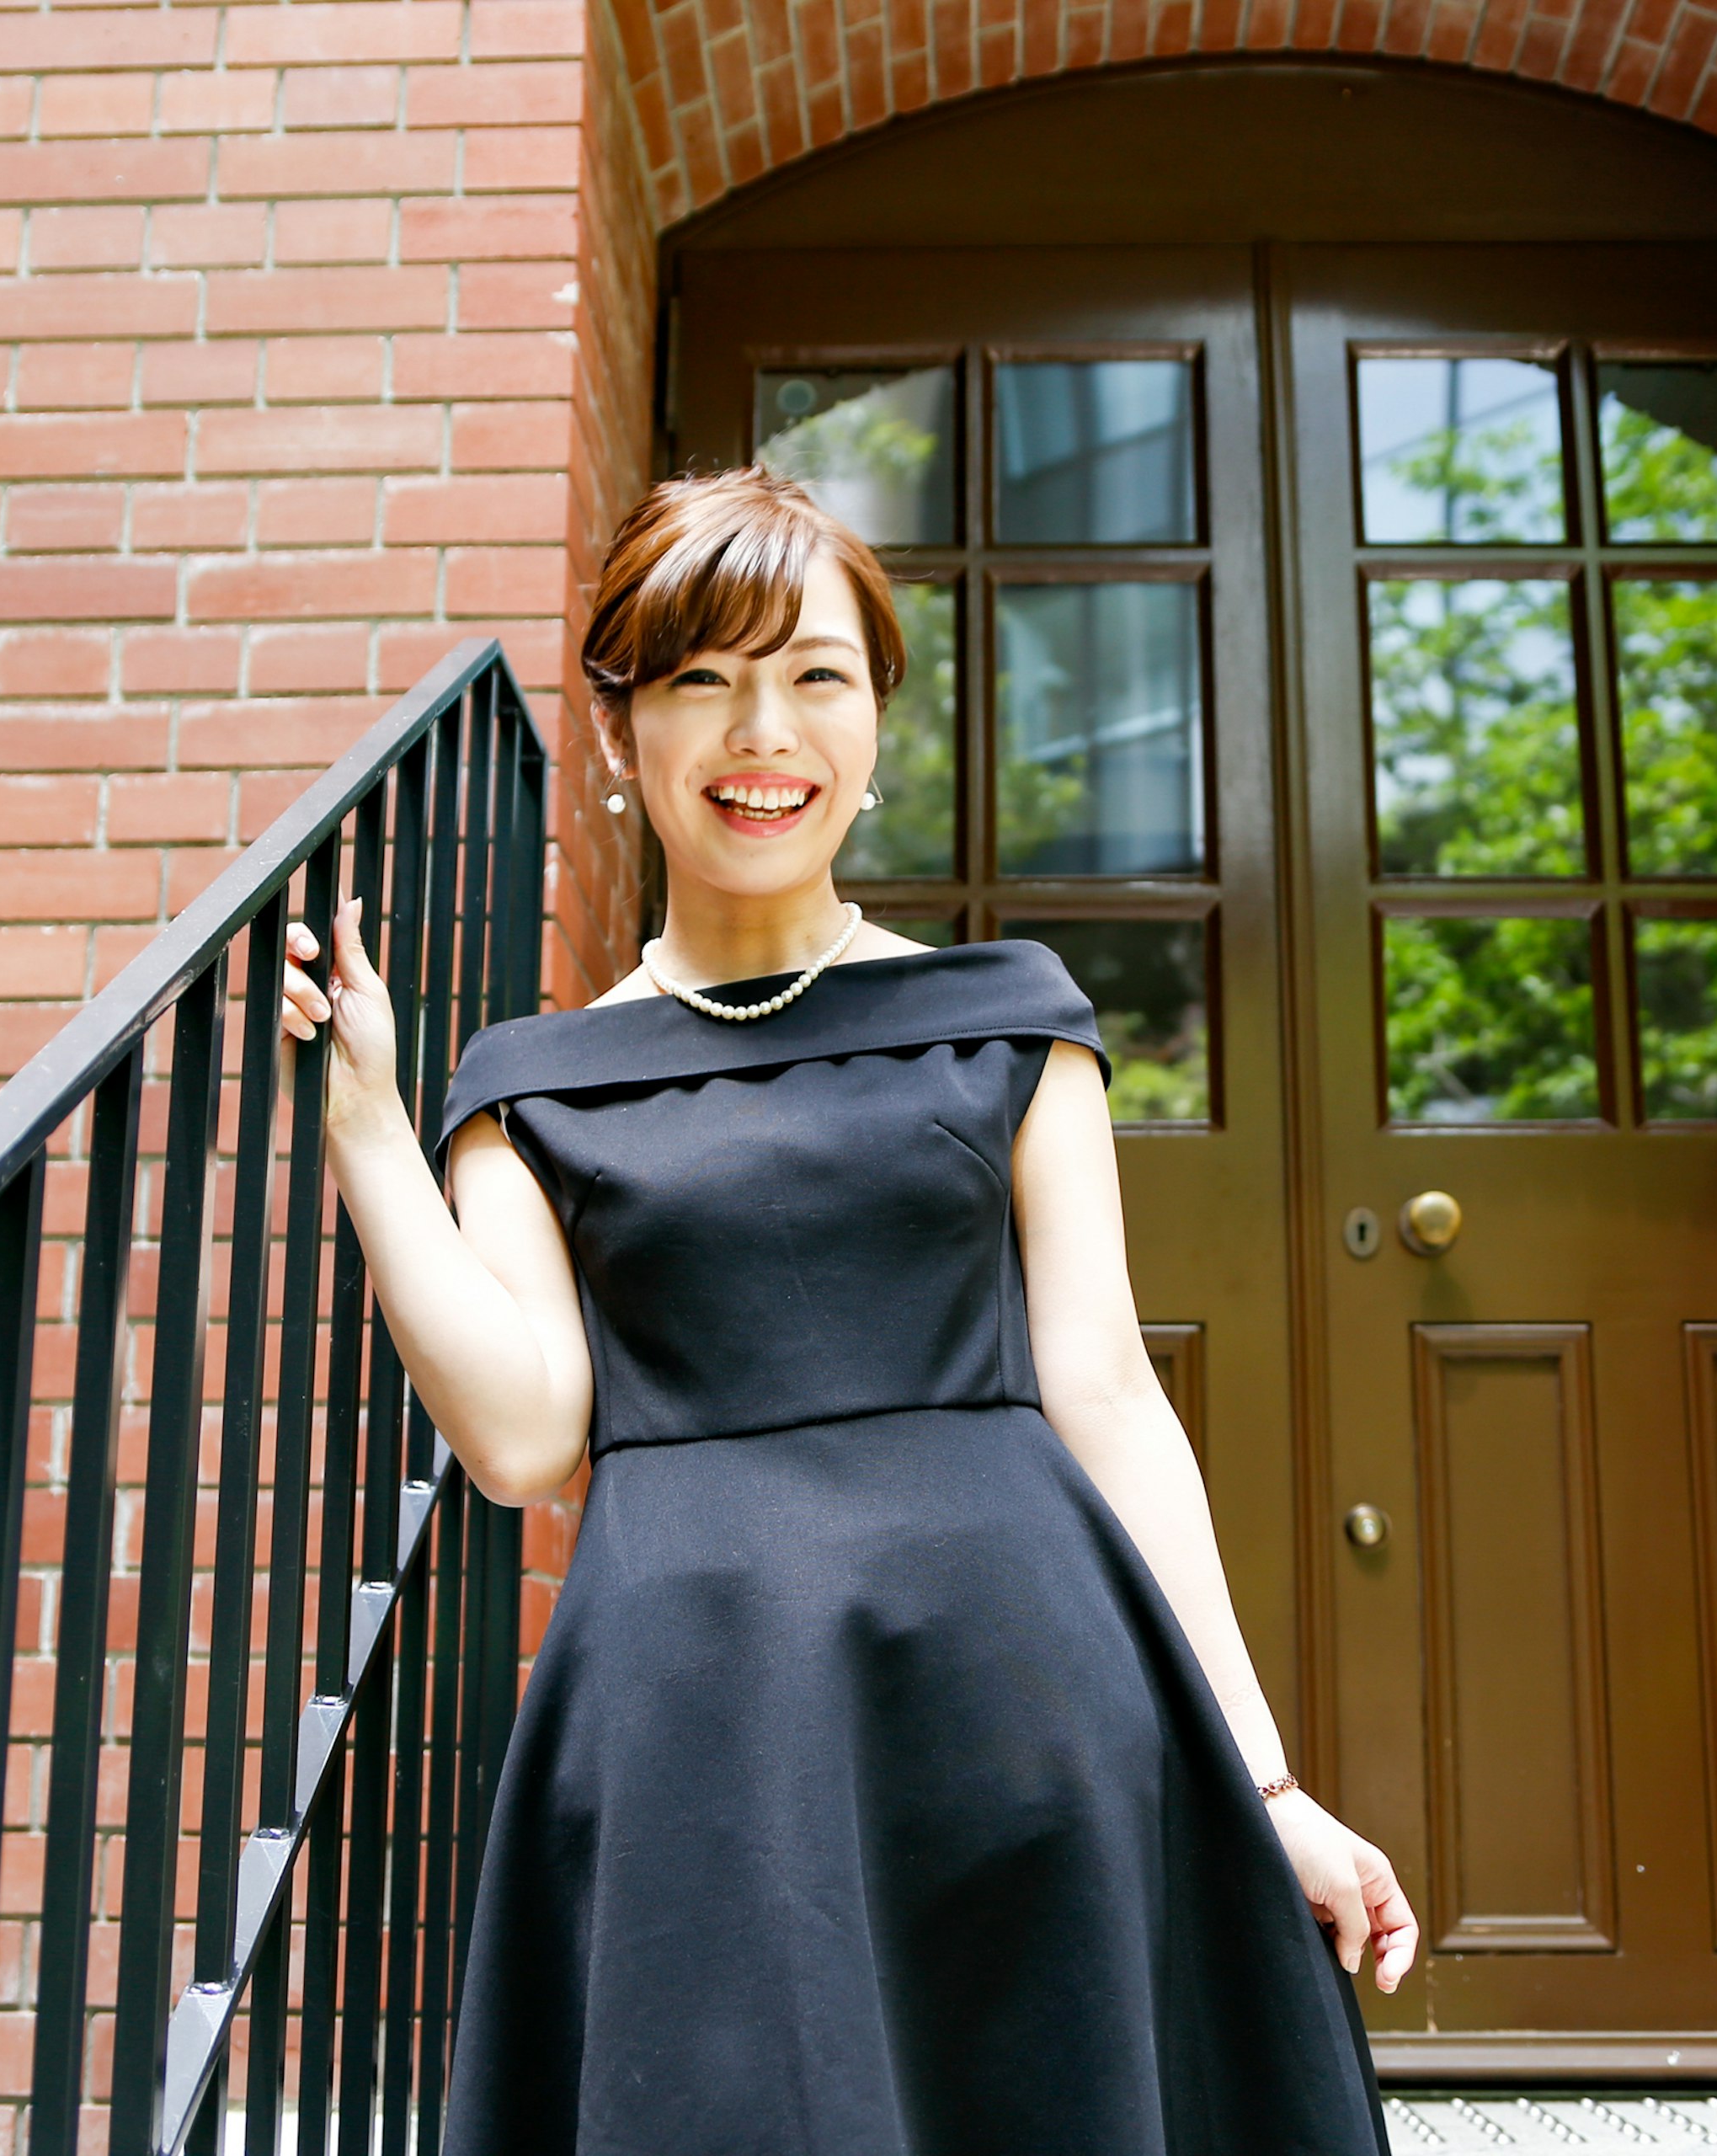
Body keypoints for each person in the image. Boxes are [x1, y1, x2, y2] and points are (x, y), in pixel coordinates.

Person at [280, 465, 1413, 2153]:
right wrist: (374, 1131)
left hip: (1022, 1702)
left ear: (877, 716)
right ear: (618, 730)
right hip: (702, 1739)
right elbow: (523, 1436)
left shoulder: (1012, 1020)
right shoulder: (535, 1083)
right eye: (702, 679)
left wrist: (1262, 1781)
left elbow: (1106, 1395)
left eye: (815, 675)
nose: (766, 732)